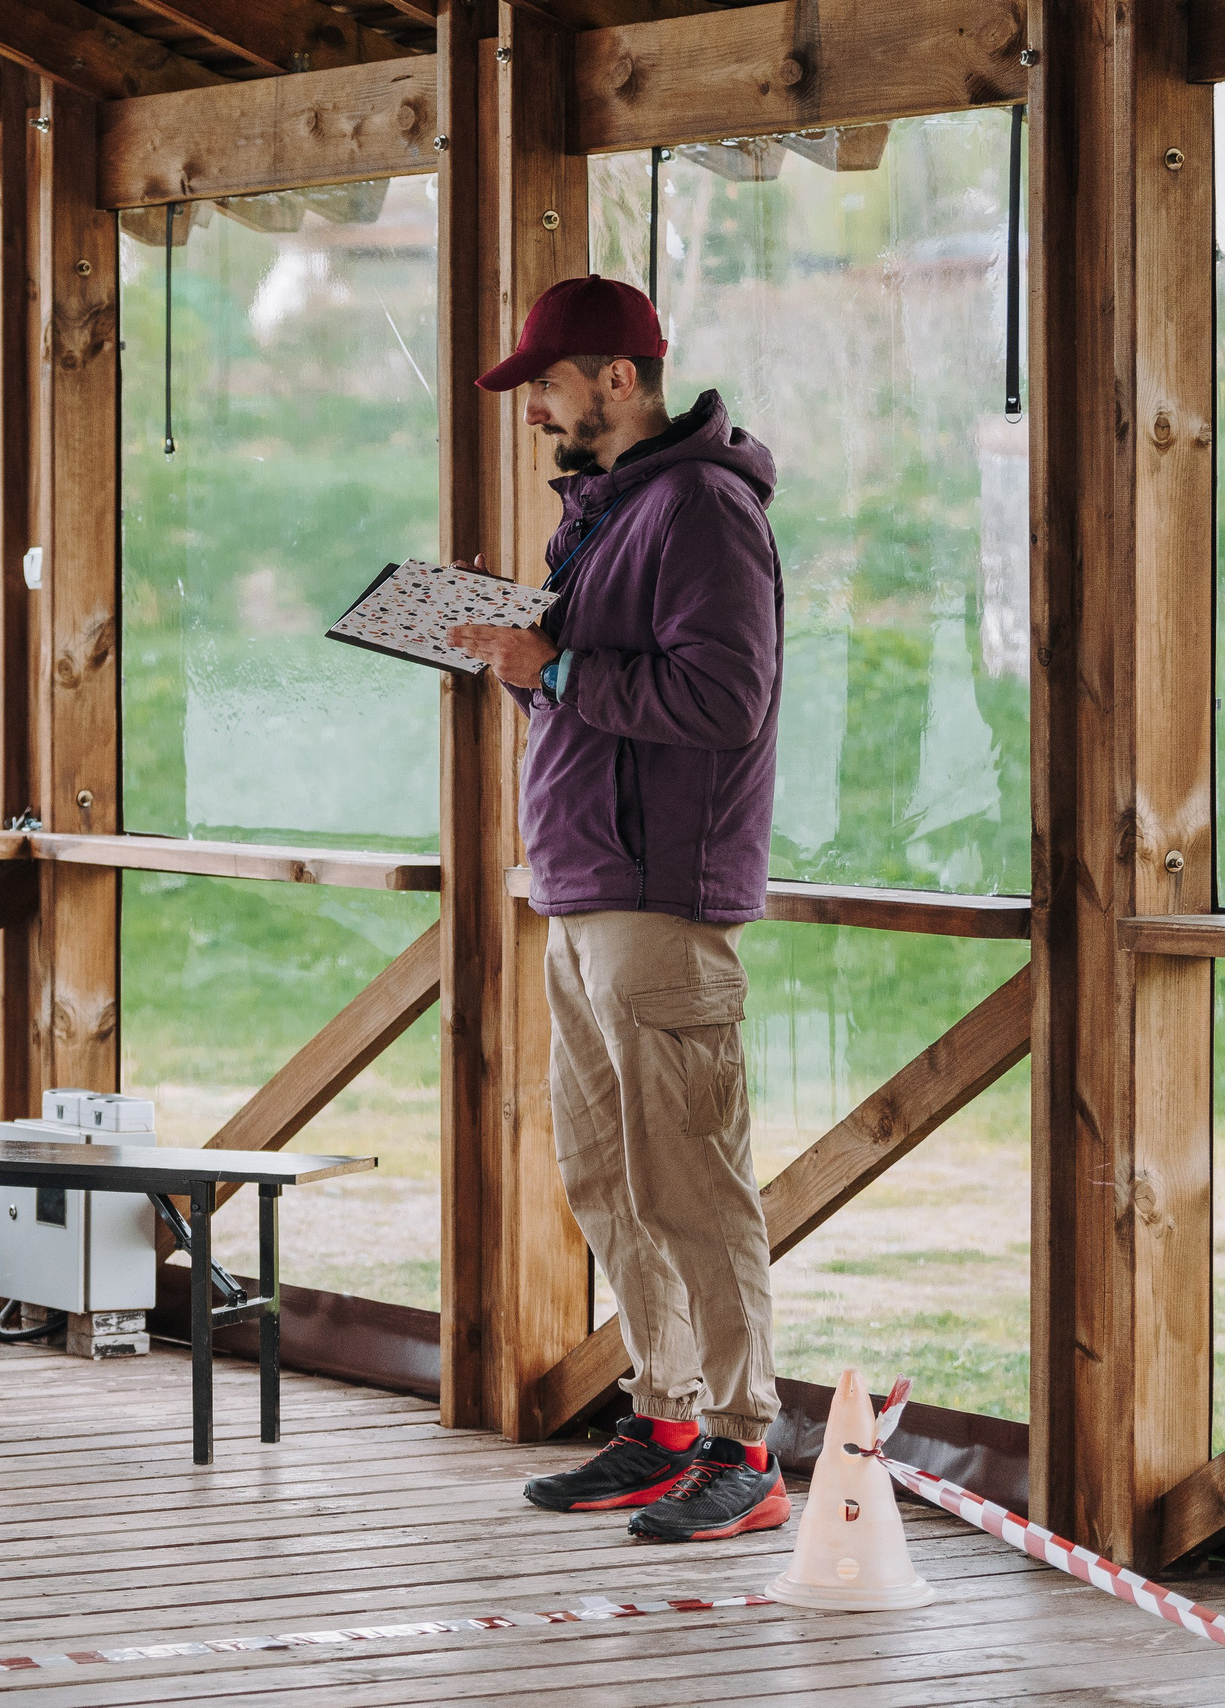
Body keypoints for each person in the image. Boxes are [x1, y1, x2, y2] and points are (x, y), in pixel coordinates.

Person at [446, 276, 789, 1544]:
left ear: (618, 379)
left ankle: (747, 1446)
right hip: (583, 887)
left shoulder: (700, 508)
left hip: (660, 896)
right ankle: (663, 1423)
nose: (535, 410)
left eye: (546, 384)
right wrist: (520, 659)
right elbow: (590, 700)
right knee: (607, 1178)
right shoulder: (605, 516)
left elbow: (722, 703)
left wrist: (560, 664)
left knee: (693, 1182)